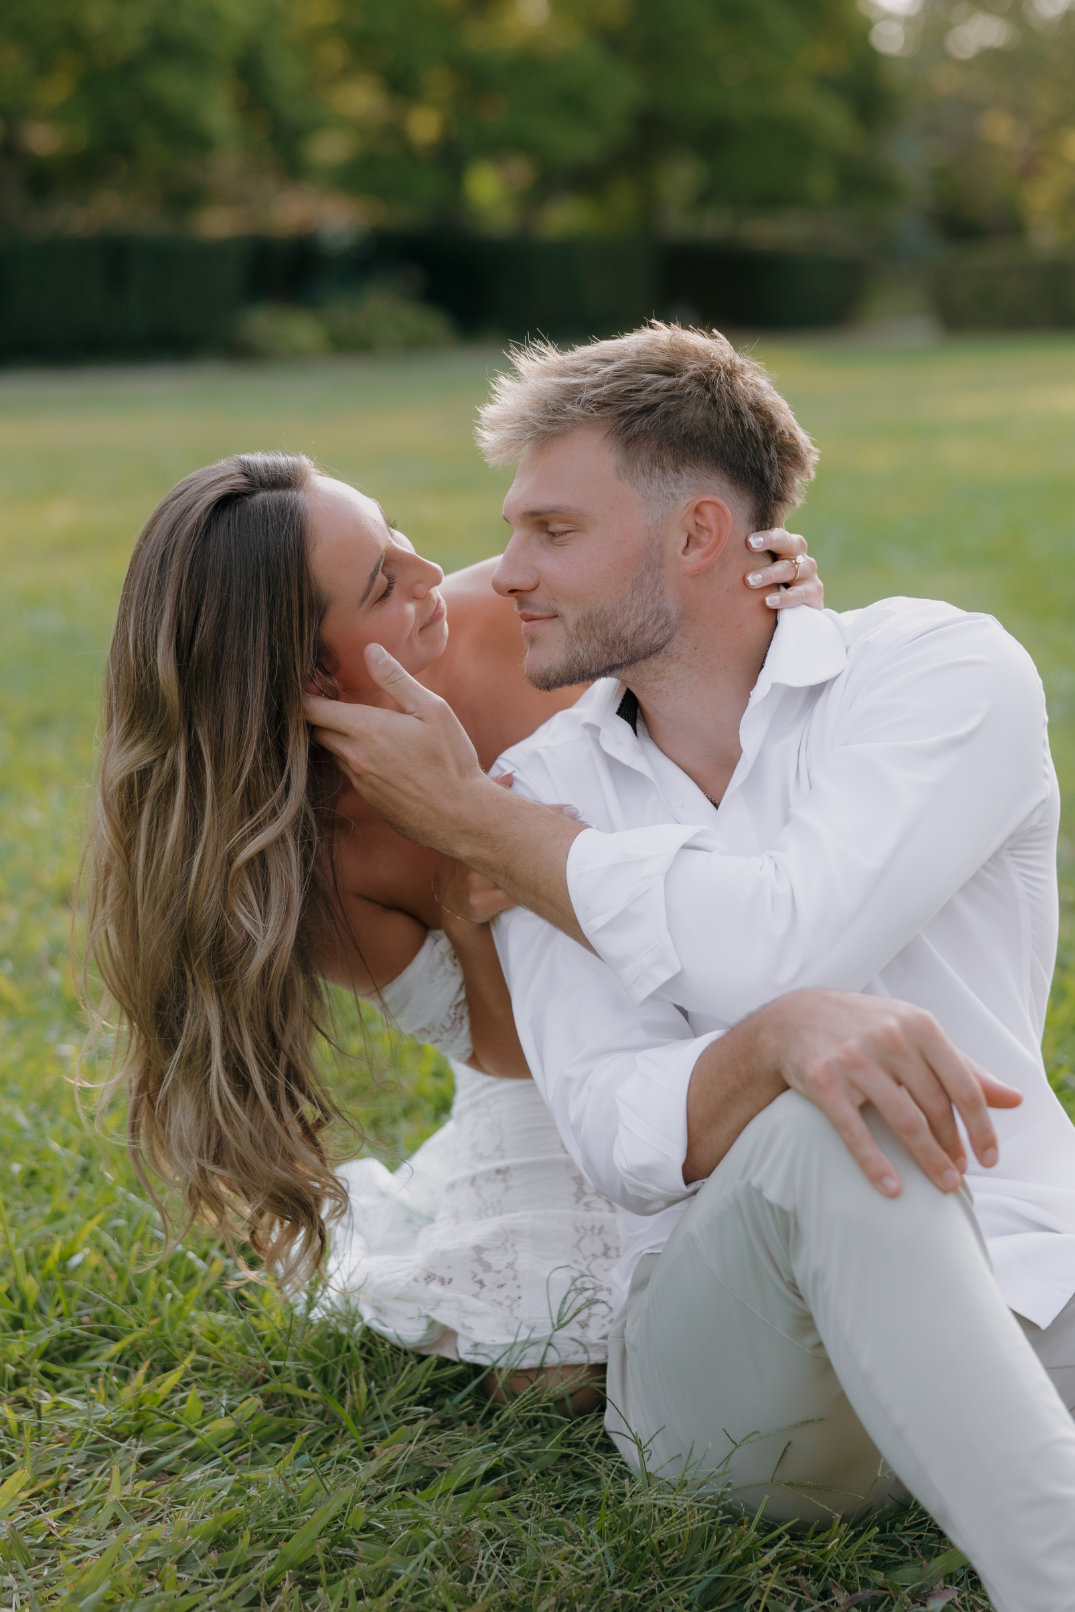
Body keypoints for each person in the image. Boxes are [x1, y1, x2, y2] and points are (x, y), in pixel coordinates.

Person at [303, 322, 1075, 1612]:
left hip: (1021, 1271)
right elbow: (611, 1124)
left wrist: (505, 841)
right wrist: (773, 1048)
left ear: (699, 535)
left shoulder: (942, 674)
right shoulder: (542, 785)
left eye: (551, 532)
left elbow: (792, 937)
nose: (506, 573)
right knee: (833, 1117)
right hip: (733, 1389)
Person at [82, 444, 827, 1404]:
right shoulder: (301, 866)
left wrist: (770, 597)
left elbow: (726, 680)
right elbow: (509, 1052)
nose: (435, 574)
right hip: (541, 1077)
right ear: (312, 672)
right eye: (384, 582)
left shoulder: (526, 626)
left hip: (719, 963)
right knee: (558, 1361)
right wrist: (466, 885)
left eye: (397, 534)